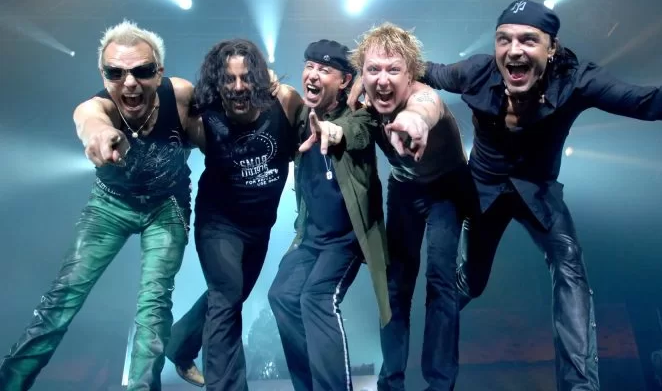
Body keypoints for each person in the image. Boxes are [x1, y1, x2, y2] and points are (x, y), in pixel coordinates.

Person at [415, 0, 662, 390]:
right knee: (471, 283)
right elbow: (423, 70)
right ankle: (432, 347)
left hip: (538, 189)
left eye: (528, 40)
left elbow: (643, 101)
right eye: (504, 39)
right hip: (484, 189)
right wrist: (365, 71)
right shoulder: (476, 71)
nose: (514, 50)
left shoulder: (575, 79)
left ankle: (580, 386)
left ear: (551, 48)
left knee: (569, 265)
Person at [0, 20, 196, 390]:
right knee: (61, 298)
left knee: (154, 305)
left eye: (142, 71)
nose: (130, 82)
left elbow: (227, 113)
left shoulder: (181, 94)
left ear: (159, 72)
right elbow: (89, 122)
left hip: (166, 205)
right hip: (110, 204)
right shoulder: (94, 107)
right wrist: (102, 134)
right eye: (115, 73)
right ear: (103, 75)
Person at [165, 38, 302, 391]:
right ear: (217, 83)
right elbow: (164, 104)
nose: (238, 87)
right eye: (229, 79)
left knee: (229, 295)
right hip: (218, 224)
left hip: (259, 228)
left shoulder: (284, 103)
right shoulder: (204, 119)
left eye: (246, 78)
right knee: (227, 296)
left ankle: (179, 343)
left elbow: (311, 150)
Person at [349, 23, 474, 391]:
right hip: (404, 189)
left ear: (411, 74)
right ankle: (391, 383)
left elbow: (424, 108)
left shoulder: (424, 96)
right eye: (373, 69)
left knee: (440, 281)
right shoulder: (365, 98)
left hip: (447, 191)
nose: (382, 79)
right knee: (395, 287)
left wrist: (413, 122)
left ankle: (440, 384)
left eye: (394, 70)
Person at [267, 39, 391, 391]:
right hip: (310, 238)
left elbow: (355, 133)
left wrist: (334, 131)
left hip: (347, 240)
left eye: (324, 70)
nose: (313, 75)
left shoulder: (360, 116)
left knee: (316, 298)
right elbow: (279, 97)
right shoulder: (300, 117)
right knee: (282, 296)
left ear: (344, 81)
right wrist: (267, 82)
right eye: (309, 66)